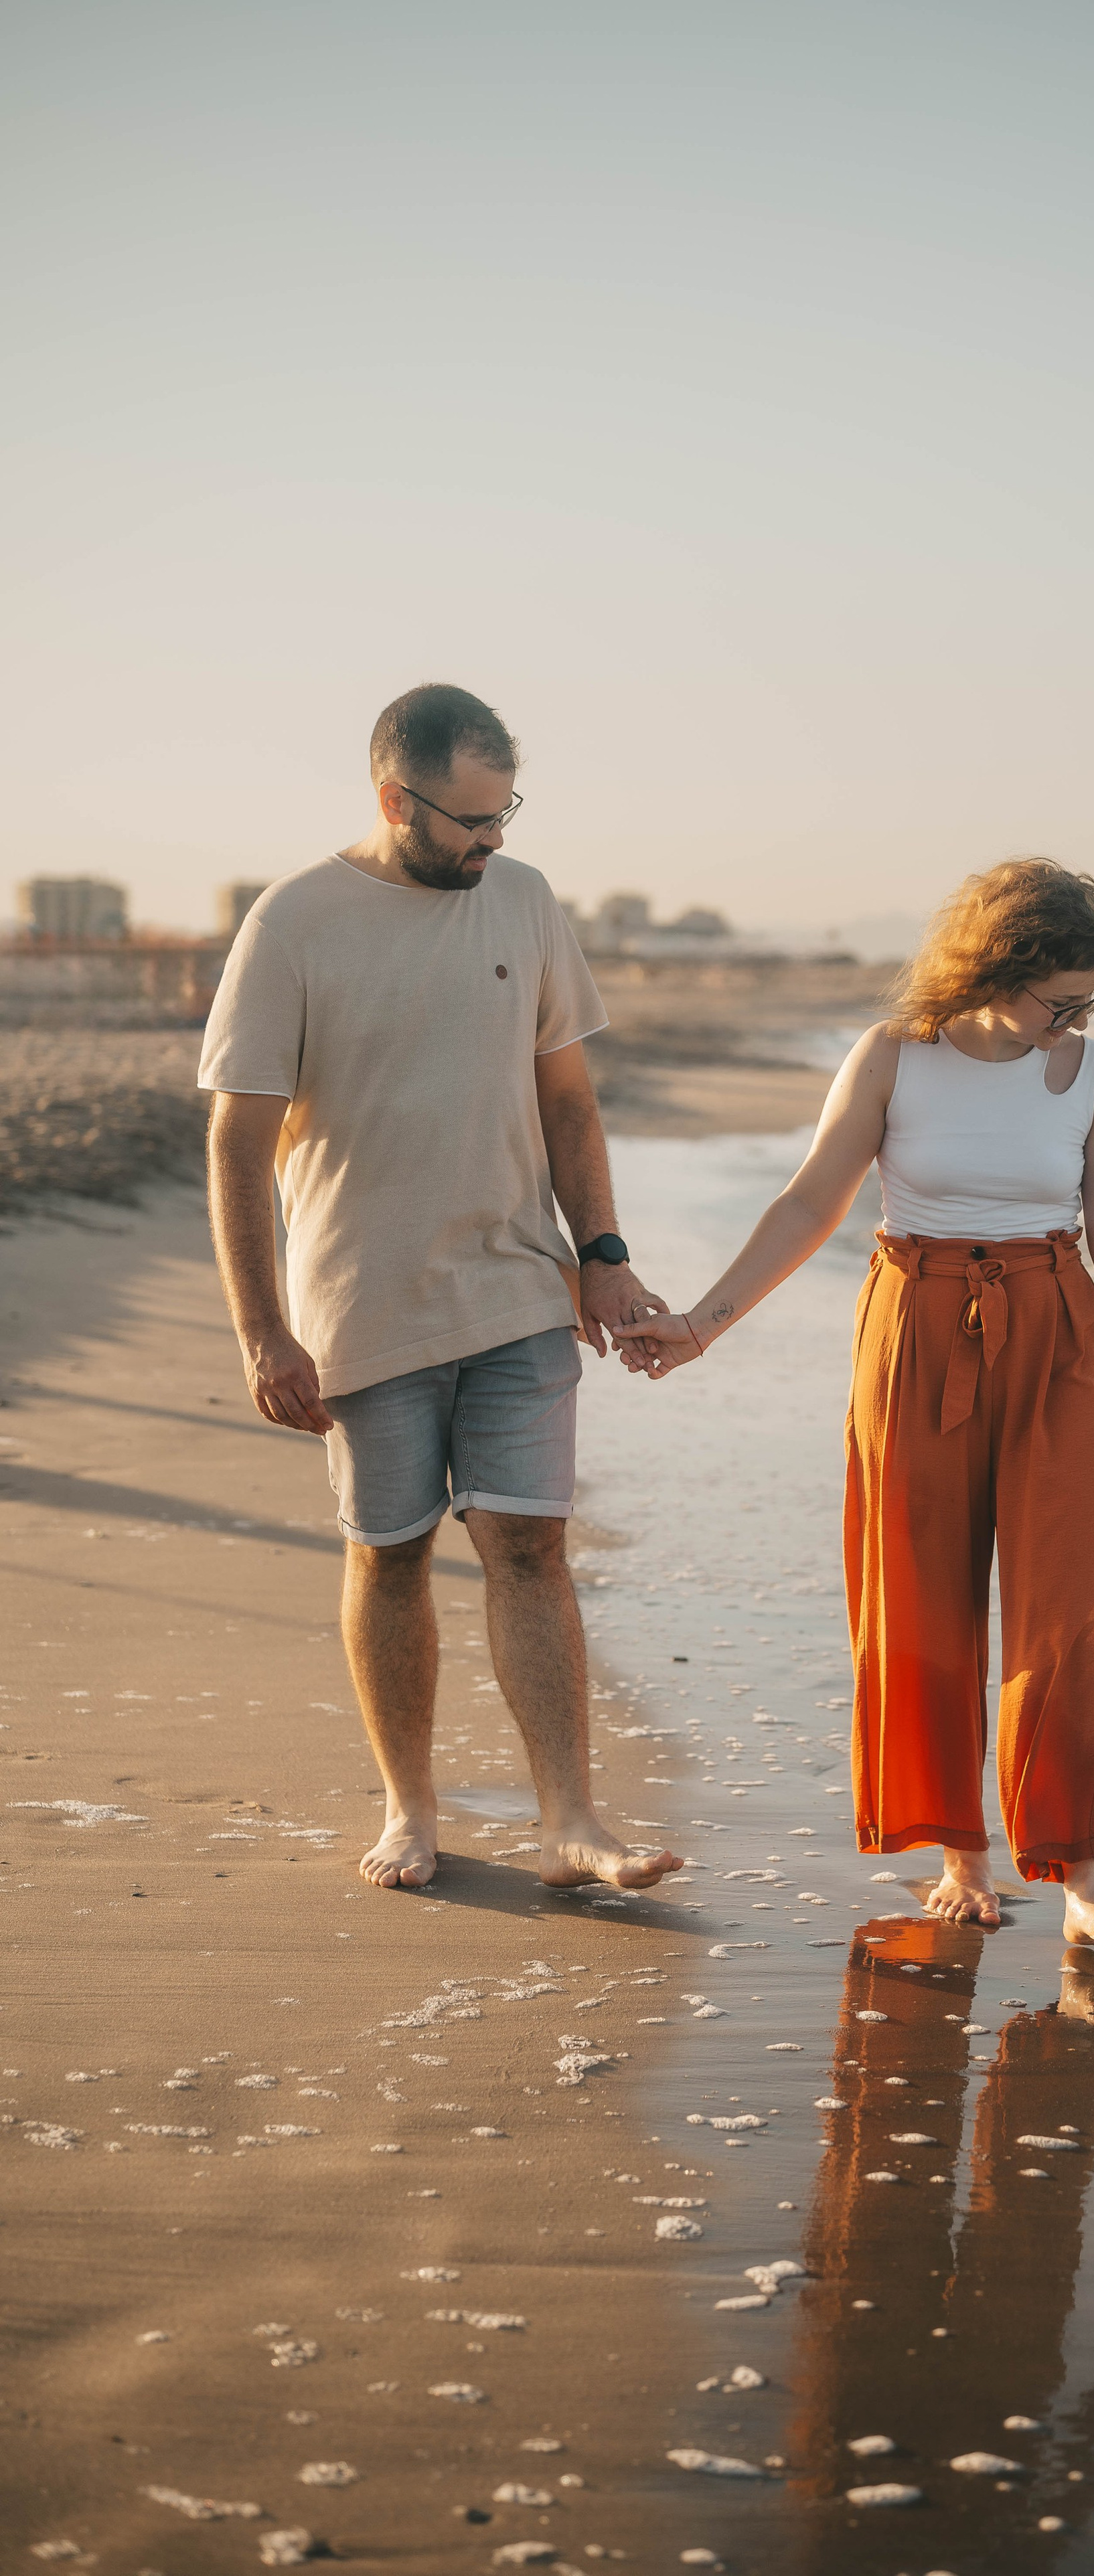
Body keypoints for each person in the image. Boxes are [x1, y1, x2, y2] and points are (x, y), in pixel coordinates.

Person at [616, 858, 1094, 1948]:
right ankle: (962, 1856)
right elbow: (809, 1201)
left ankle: (1080, 1875)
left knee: (1066, 1606)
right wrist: (704, 1323)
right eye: (1060, 996)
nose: (1073, 1018)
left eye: (1090, 1001)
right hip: (917, 1325)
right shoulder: (895, 1056)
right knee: (919, 1596)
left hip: (1056, 1330)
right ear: (999, 963)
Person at [198, 681, 682, 1900]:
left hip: (518, 1284)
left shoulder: (522, 899)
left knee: (532, 1547)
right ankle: (409, 1808)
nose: (494, 838)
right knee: (392, 1554)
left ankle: (571, 1816)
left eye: (504, 809)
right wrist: (262, 1329)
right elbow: (237, 1145)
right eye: (470, 819)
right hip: (362, 1307)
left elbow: (567, 1100)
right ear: (392, 797)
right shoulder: (294, 922)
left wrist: (605, 1251)